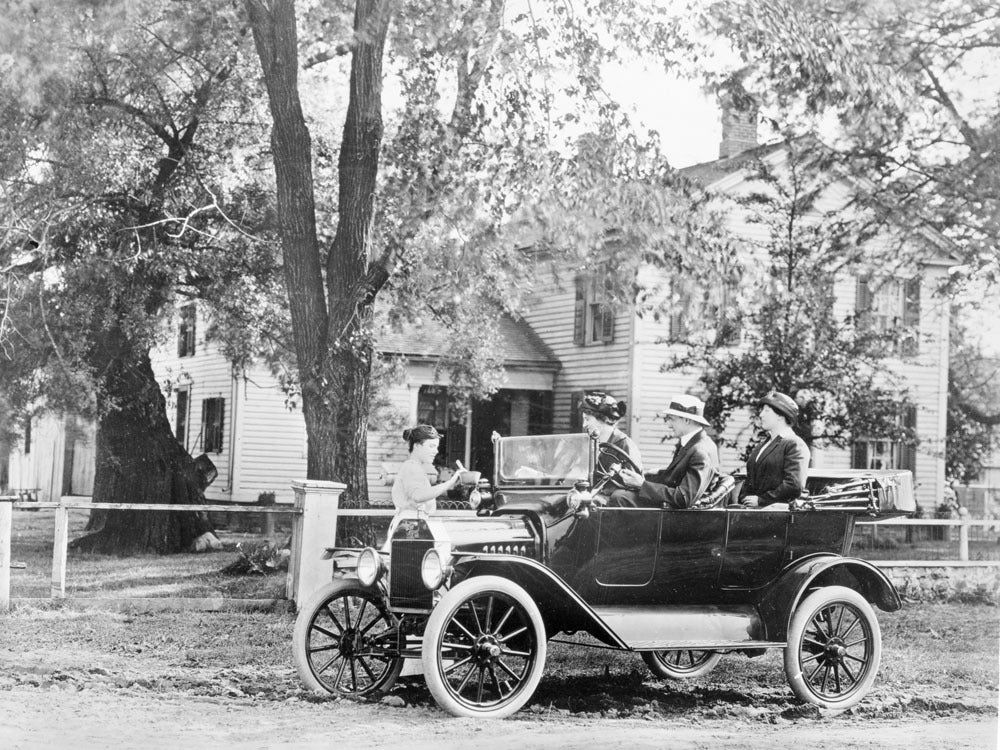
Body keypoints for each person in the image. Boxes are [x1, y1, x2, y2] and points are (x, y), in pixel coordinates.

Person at [614, 394, 720, 509]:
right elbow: (677, 477)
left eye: (671, 419)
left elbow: (684, 498)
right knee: (620, 494)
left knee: (619, 497)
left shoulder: (700, 451)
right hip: (673, 508)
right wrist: (649, 475)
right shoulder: (692, 444)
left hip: (682, 515)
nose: (668, 424)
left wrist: (642, 484)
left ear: (687, 420)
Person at [738, 391, 810, 508]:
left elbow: (794, 485)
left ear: (780, 416)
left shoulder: (794, 444)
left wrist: (762, 500)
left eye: (766, 411)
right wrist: (745, 499)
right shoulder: (763, 445)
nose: (761, 415)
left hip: (778, 516)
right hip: (753, 513)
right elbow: (750, 479)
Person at [391, 425, 461, 518]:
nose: (436, 451)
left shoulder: (415, 467)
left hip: (412, 522)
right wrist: (450, 482)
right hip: (411, 525)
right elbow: (418, 496)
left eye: (436, 447)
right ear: (416, 446)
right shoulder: (411, 467)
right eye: (431, 446)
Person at [579, 390, 643, 481]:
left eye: (587, 419)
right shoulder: (591, 441)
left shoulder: (625, 445)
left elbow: (633, 485)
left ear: (604, 419)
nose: (584, 425)